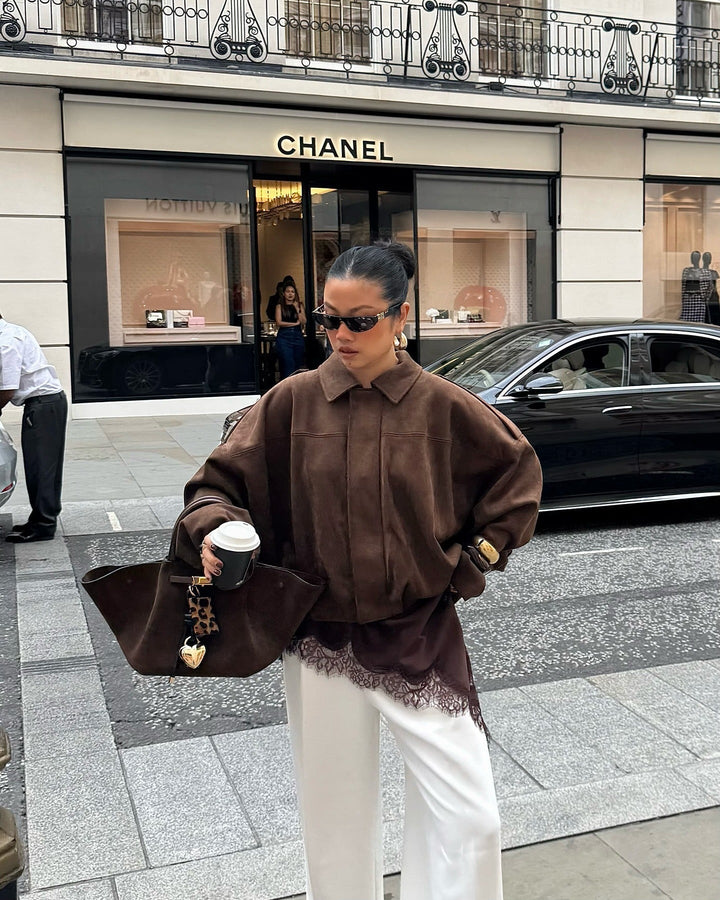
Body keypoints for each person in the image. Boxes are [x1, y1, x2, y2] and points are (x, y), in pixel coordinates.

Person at [175, 242, 542, 900]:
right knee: (334, 822)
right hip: (318, 636)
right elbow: (215, 485)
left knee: (470, 820)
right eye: (329, 318)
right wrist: (214, 530)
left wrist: (472, 563)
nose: (340, 335)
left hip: (417, 635)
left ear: (401, 316)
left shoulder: (442, 405)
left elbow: (516, 478)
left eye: (360, 320)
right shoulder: (290, 403)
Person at [0, 315, 67, 543]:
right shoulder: (14, 331)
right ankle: (41, 518)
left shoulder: (6, 342)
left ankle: (44, 525)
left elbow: (7, 389)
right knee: (43, 467)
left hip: (43, 404)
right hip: (46, 403)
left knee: (41, 468)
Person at [274, 280, 306, 379]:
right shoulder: (279, 306)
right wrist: (294, 324)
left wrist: (297, 309)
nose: (290, 294)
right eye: (288, 291)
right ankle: (287, 384)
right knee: (288, 363)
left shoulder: (299, 305)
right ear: (284, 293)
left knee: (297, 363)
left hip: (297, 336)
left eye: (292, 292)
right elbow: (279, 322)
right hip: (284, 337)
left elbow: (304, 321)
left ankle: (296, 384)